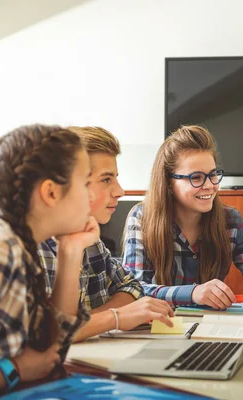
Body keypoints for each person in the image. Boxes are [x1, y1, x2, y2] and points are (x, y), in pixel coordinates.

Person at [0, 124, 97, 398]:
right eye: (85, 182)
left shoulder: (15, 242)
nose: (90, 196)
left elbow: (49, 353)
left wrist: (70, 251)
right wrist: (15, 369)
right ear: (51, 192)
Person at [122, 125, 243, 309]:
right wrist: (193, 293)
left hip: (209, 325)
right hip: (160, 325)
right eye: (196, 178)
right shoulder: (141, 217)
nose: (210, 185)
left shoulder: (231, 220)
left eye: (213, 175)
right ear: (169, 183)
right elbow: (134, 291)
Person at [39, 126, 173, 342]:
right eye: (106, 179)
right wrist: (114, 318)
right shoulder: (35, 246)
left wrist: (86, 324)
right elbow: (47, 334)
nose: (120, 191)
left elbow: (131, 286)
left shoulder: (89, 238)